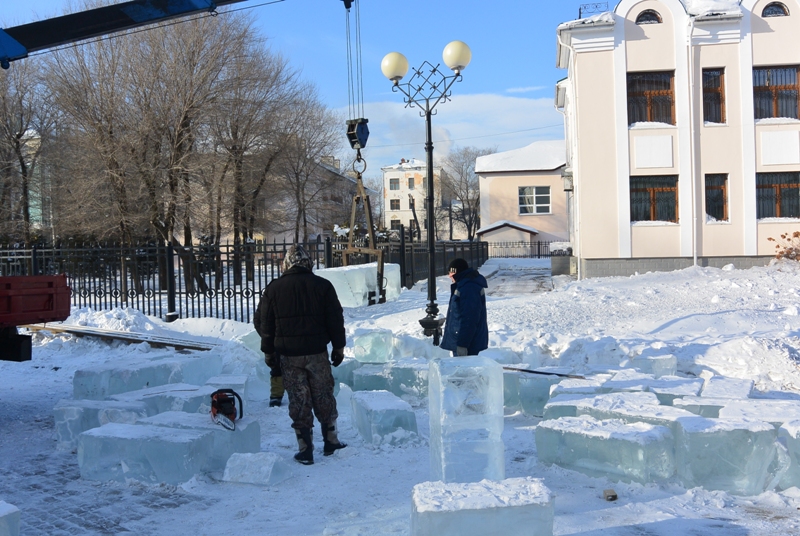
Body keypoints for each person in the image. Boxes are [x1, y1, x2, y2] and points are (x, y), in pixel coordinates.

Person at [253, 244, 347, 465]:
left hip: (289, 356)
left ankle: (305, 449)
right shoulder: (323, 286)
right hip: (317, 353)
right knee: (323, 394)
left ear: (286, 263)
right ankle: (331, 441)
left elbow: (264, 323)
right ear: (309, 262)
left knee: (298, 398)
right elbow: (336, 319)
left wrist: (269, 351)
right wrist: (339, 347)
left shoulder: (274, 289)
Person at [439, 258, 489, 357]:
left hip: (467, 344)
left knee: (464, 371)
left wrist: (463, 344)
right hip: (465, 341)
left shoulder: (468, 288)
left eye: (450, 273)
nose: (449, 276)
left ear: (455, 272)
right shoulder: (464, 285)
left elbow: (470, 318)